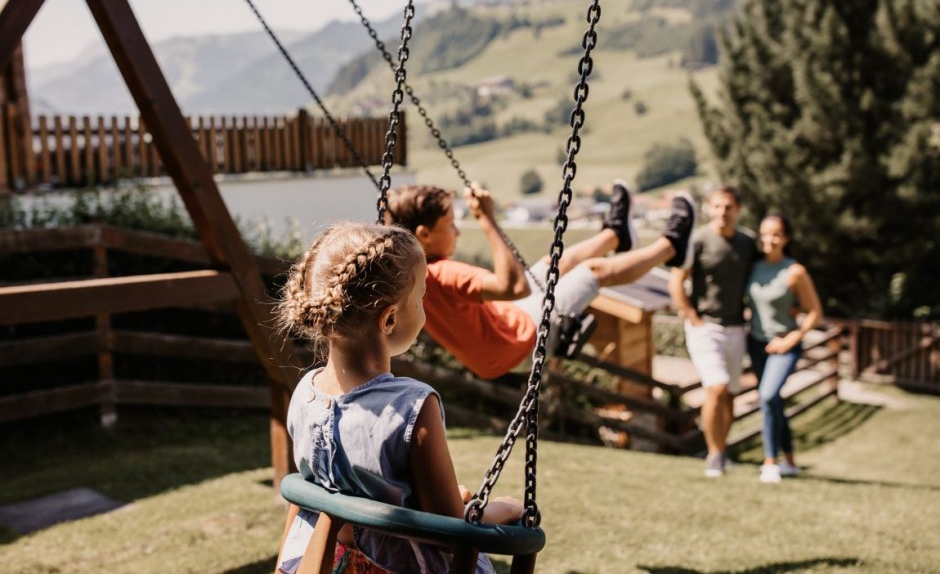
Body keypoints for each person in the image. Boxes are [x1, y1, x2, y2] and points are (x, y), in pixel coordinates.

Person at [275, 222, 523, 574]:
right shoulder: (412, 406)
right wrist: (503, 508)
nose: (424, 309)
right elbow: (448, 532)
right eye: (421, 298)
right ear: (389, 319)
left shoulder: (304, 394)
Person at [385, 180, 697, 379]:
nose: (457, 232)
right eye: (451, 225)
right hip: (520, 343)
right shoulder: (442, 272)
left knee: (555, 264)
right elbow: (514, 287)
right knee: (593, 272)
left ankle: (616, 234)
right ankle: (672, 245)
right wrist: (487, 219)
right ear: (425, 235)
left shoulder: (403, 273)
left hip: (505, 330)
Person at [668, 185, 758, 477]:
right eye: (717, 206)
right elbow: (676, 281)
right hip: (705, 327)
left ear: (738, 210)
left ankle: (722, 450)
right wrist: (693, 317)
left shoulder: (747, 243)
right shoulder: (698, 240)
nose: (722, 212)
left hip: (736, 327)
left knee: (730, 394)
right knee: (716, 387)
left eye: (728, 207)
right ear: (708, 208)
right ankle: (714, 455)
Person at [747, 213, 822, 483]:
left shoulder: (795, 271)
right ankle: (790, 461)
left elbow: (815, 312)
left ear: (786, 238)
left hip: (785, 345)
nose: (769, 239)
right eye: (765, 234)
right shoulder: (753, 267)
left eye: (776, 234)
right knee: (774, 401)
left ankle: (770, 462)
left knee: (767, 396)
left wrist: (792, 338)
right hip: (757, 344)